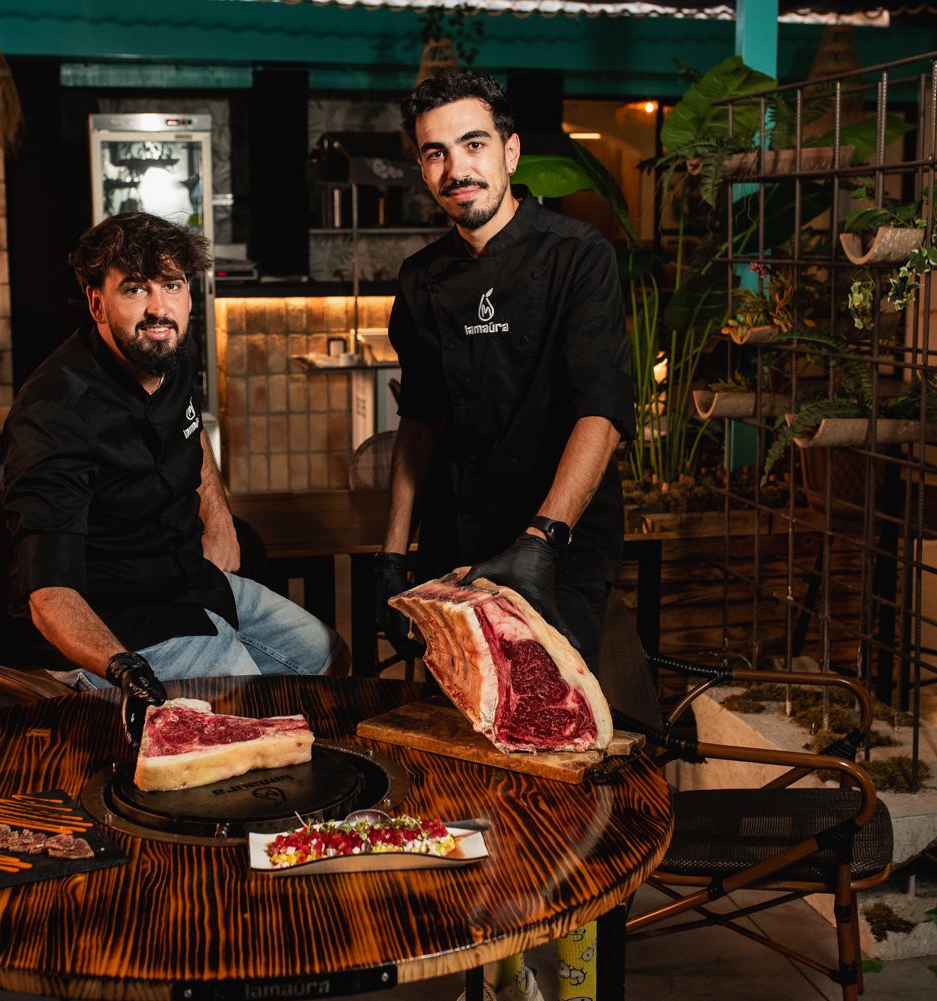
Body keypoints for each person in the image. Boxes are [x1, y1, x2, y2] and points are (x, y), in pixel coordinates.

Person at [374, 70, 638, 1001]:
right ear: (423, 169)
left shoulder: (577, 256)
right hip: (460, 542)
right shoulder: (423, 279)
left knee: (560, 774)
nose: (457, 167)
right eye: (436, 152)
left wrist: (544, 537)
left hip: (558, 545)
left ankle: (574, 982)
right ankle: (494, 972)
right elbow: (422, 424)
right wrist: (395, 548)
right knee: (473, 770)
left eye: (473, 143)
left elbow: (603, 411)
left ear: (512, 151)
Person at [2, 211, 345, 711]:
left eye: (172, 285)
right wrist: (123, 668)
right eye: (136, 289)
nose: (159, 309)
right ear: (98, 303)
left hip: (187, 580)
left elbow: (192, 432)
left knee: (327, 655)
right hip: (117, 618)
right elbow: (49, 594)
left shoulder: (168, 355)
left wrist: (218, 517)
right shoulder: (54, 414)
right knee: (255, 707)